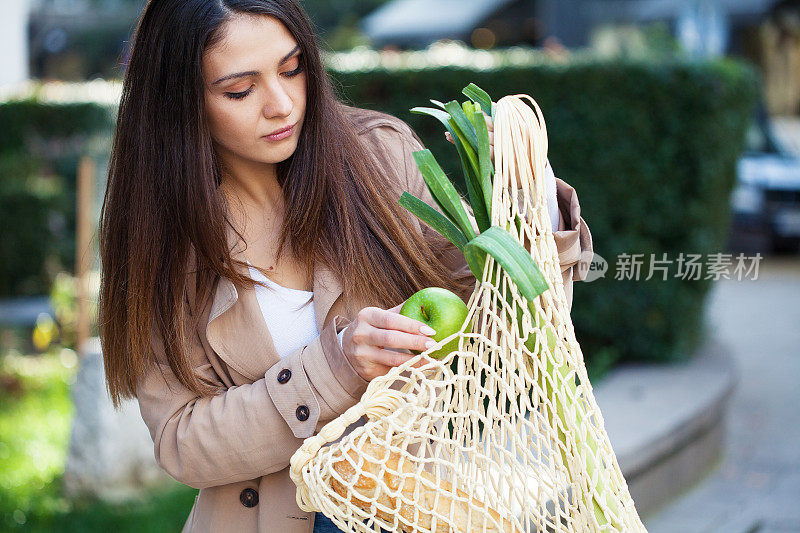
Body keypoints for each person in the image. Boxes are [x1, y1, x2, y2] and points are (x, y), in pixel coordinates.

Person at [97, 1, 593, 532]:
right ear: (180, 102)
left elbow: (511, 325)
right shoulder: (163, 238)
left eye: (292, 69)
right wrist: (335, 366)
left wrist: (525, 198)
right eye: (240, 90)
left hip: (420, 506)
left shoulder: (375, 156)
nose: (282, 104)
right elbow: (182, 442)